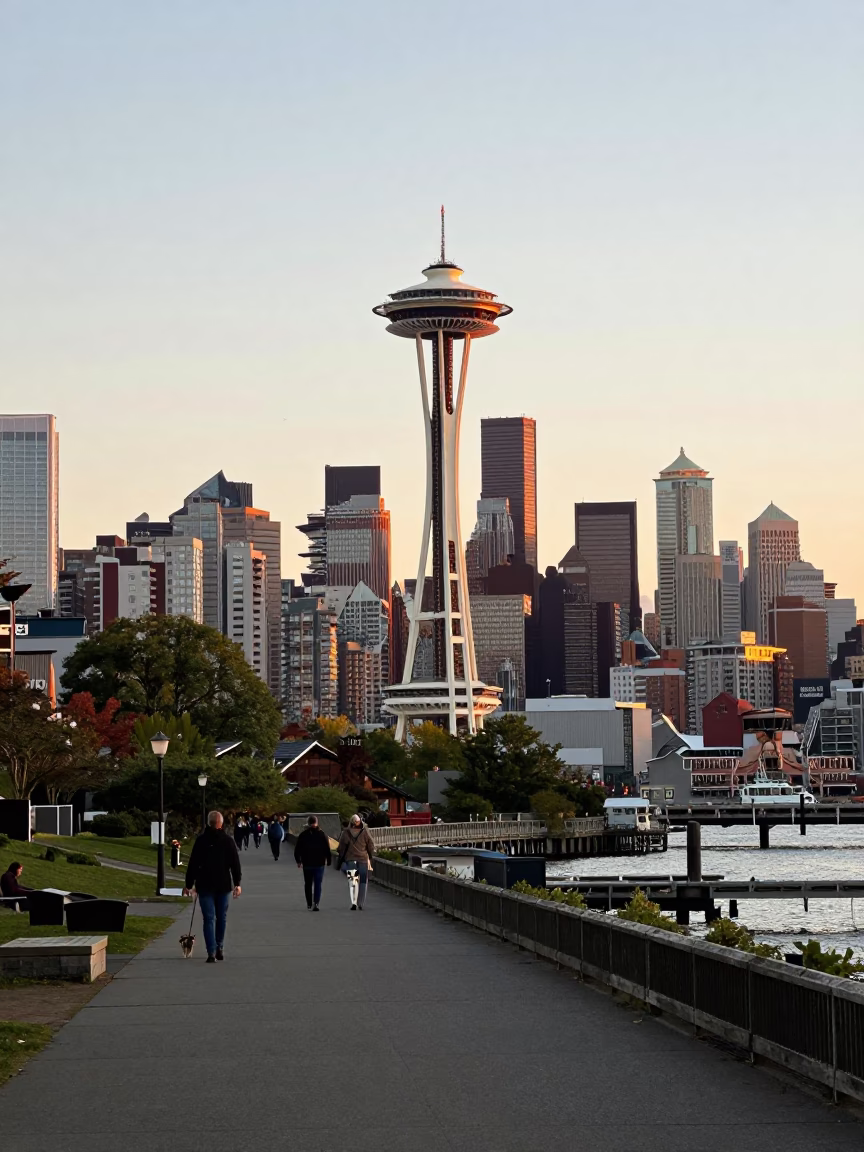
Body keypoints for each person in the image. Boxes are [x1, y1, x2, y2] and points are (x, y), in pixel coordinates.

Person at [183, 810, 242, 963]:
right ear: (221, 823)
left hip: (205, 885)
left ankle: (211, 951)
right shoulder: (228, 841)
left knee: (208, 918)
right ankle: (219, 947)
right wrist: (237, 883)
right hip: (223, 884)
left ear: (208, 823)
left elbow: (193, 864)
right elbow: (235, 864)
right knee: (221, 917)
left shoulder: (201, 840)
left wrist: (188, 884)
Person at [337, 815, 375, 911]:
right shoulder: (365, 831)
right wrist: (370, 855)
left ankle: (353, 903)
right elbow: (371, 844)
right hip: (362, 859)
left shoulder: (346, 832)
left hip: (350, 860)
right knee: (363, 881)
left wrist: (342, 855)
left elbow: (341, 847)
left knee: (353, 882)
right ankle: (360, 903)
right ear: (360, 821)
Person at [293, 815, 332, 910]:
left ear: (308, 822)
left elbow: (297, 849)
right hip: (319, 863)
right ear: (317, 822)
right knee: (318, 884)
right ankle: (316, 903)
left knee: (308, 883)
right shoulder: (322, 834)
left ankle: (309, 903)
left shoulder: (303, 835)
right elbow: (327, 849)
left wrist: (298, 861)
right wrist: (329, 860)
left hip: (307, 863)